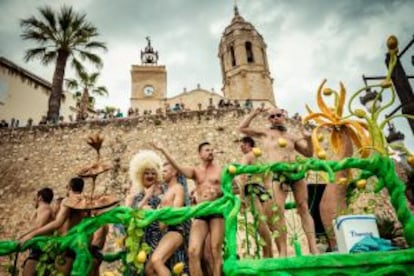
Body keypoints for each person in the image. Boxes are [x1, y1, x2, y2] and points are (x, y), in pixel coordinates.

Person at [239, 107, 319, 256]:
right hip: (277, 173)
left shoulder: (292, 136)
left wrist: (308, 138)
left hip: (295, 171)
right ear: (269, 119)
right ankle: (283, 251)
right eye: (272, 116)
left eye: (278, 115)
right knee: (277, 210)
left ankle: (314, 248)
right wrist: (254, 113)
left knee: (303, 207)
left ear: (283, 116)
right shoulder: (266, 133)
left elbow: (308, 153)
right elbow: (242, 128)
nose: (275, 118)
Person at [151, 141, 223, 276]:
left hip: (216, 212)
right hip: (200, 213)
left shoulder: (220, 170)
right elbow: (177, 167)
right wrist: (163, 150)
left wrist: (219, 193)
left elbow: (232, 189)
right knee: (193, 251)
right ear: (200, 154)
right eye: (207, 150)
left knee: (215, 250)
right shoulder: (195, 171)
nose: (211, 152)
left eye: (212, 150)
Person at [20, 177, 87, 275]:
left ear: (69, 187)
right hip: (78, 247)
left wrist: (31, 234)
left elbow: (58, 222)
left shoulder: (68, 201)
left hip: (65, 248)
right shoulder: (86, 202)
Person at [145, 161, 187, 276]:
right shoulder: (165, 192)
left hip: (175, 231)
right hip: (166, 232)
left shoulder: (178, 188)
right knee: (149, 269)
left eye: (165, 171)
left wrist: (161, 211)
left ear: (174, 173)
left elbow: (176, 213)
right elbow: (161, 223)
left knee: (156, 261)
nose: (162, 174)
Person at [237, 136, 273, 257]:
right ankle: (269, 252)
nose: (241, 148)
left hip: (251, 188)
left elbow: (242, 177)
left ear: (248, 145)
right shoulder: (260, 158)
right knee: (267, 222)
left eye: (243, 145)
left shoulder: (247, 156)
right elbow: (268, 178)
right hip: (262, 189)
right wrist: (268, 193)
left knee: (259, 222)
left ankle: (267, 253)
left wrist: (241, 198)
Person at [21, 188, 54, 276]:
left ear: (40, 198)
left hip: (41, 250)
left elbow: (39, 227)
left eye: (34, 198)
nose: (33, 200)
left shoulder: (45, 208)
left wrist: (25, 236)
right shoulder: (43, 209)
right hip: (40, 248)